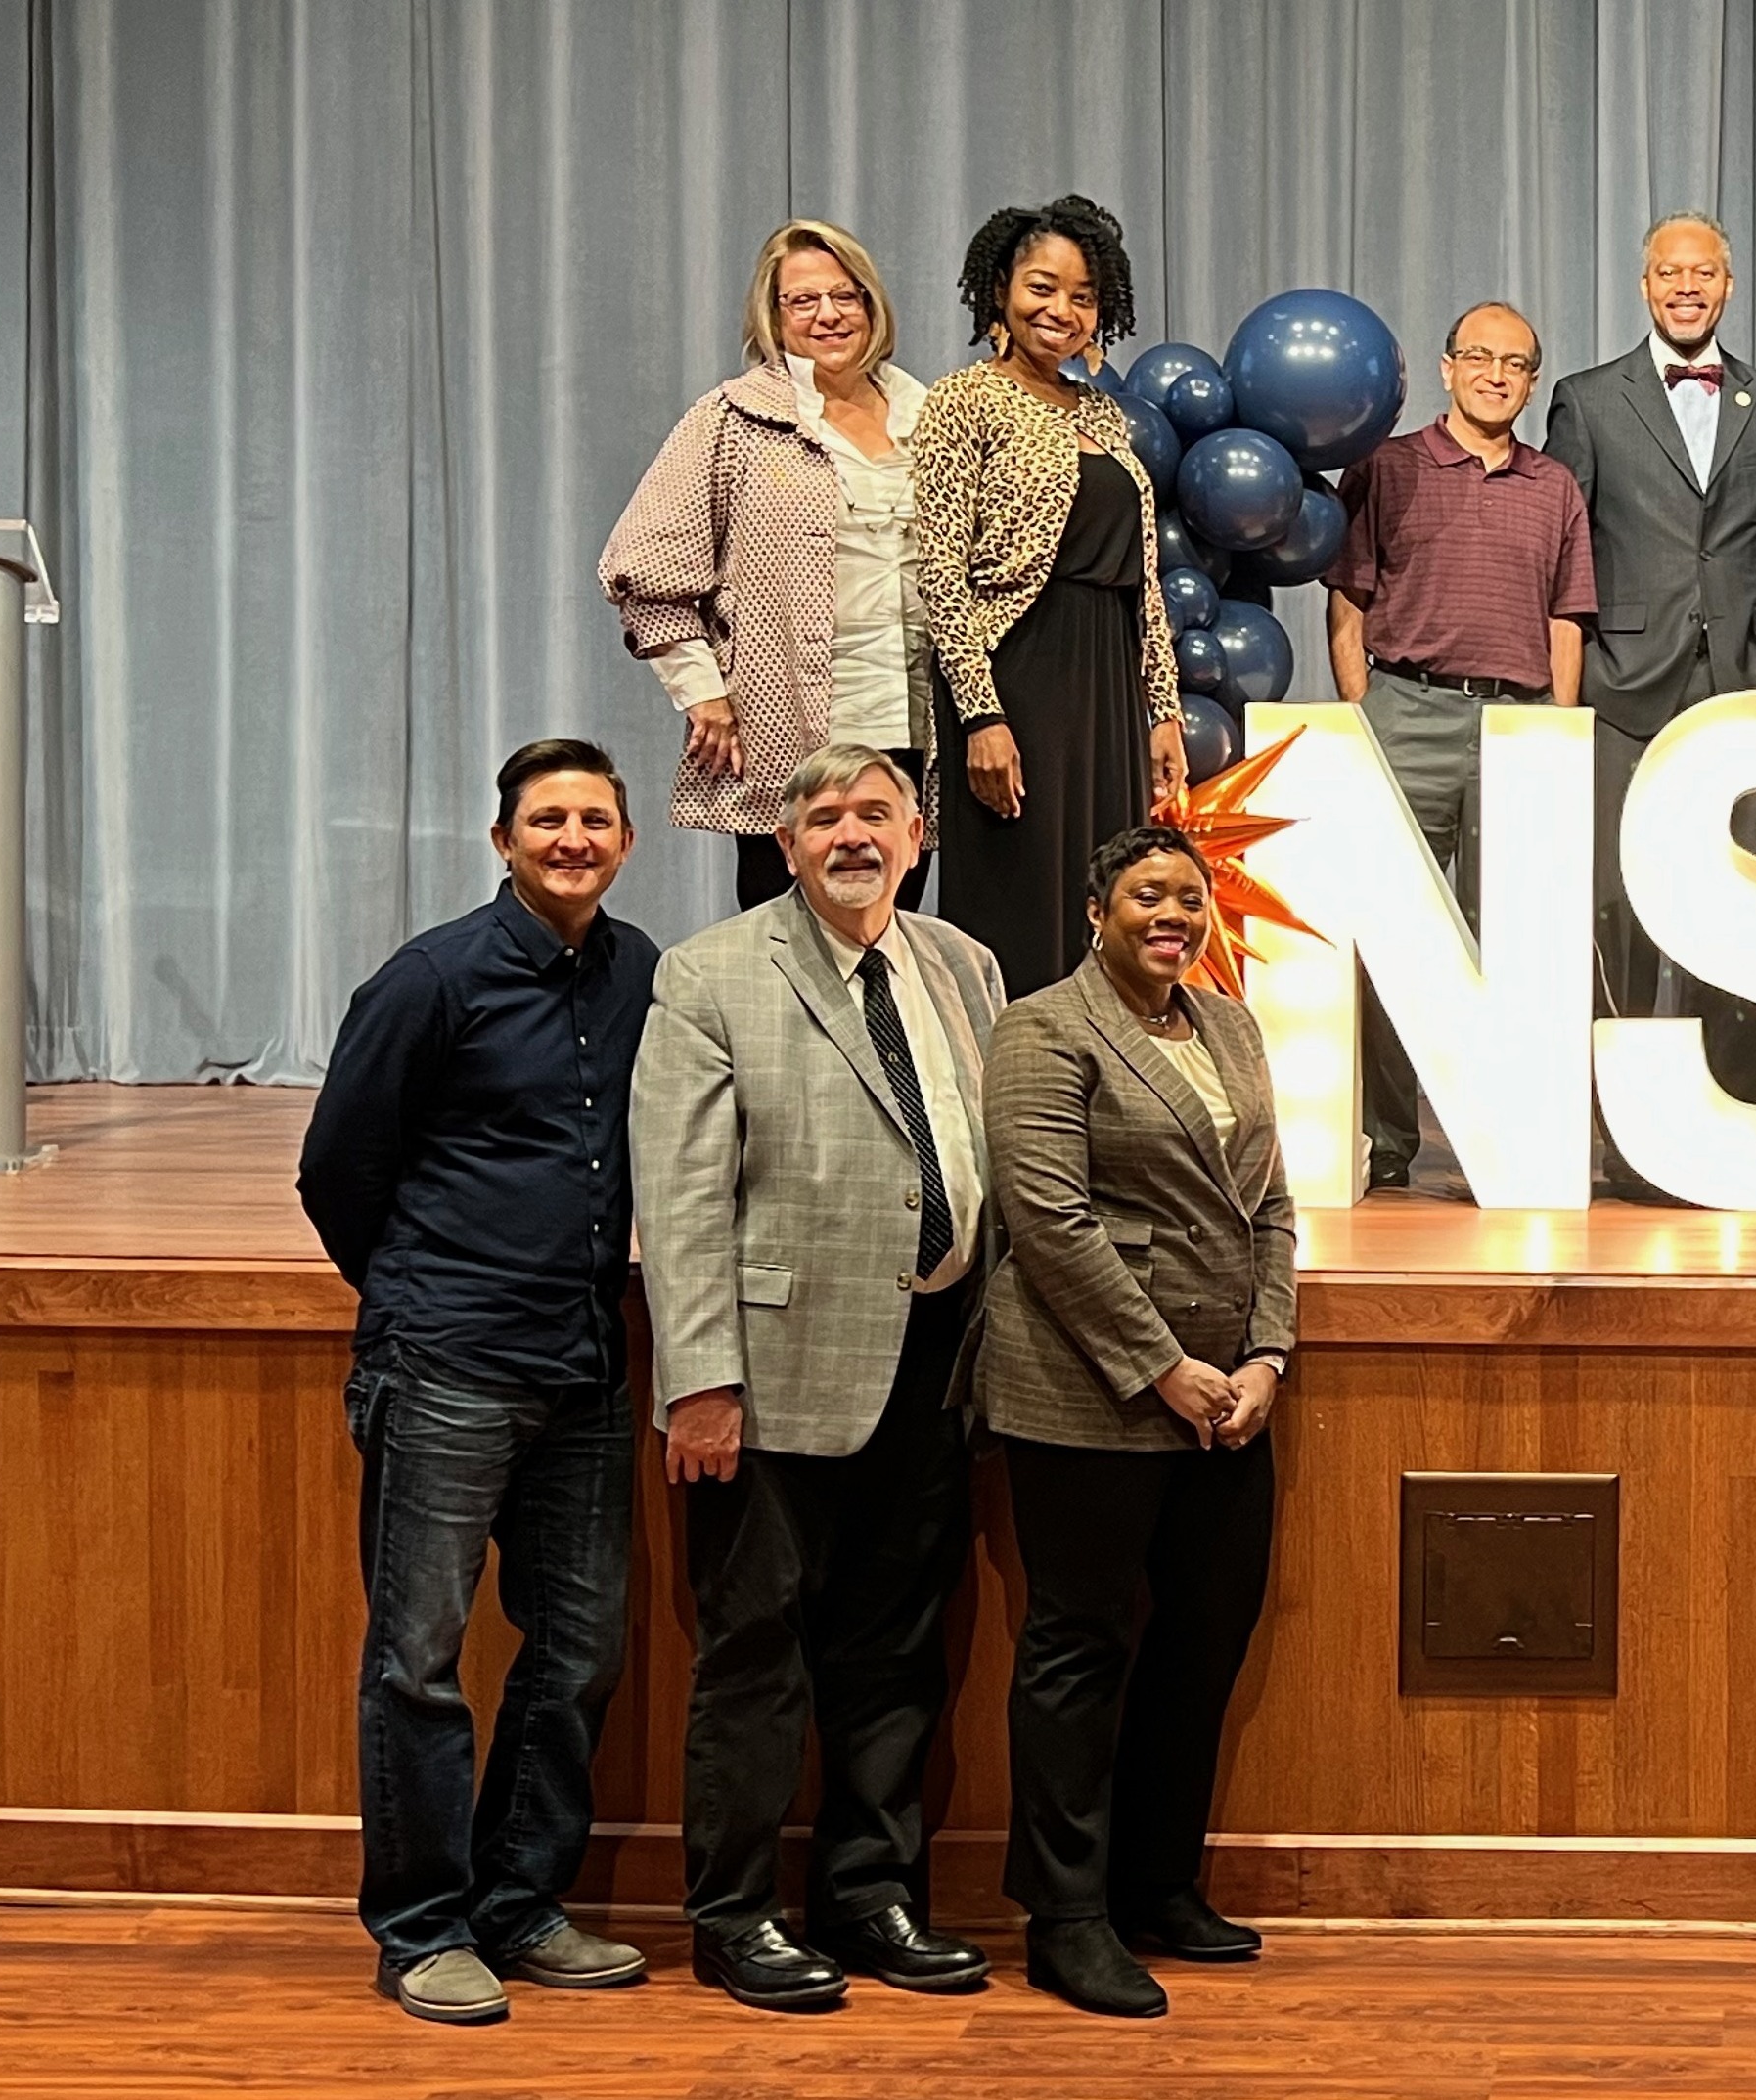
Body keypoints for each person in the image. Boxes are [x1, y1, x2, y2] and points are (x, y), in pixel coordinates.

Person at [629, 742, 1006, 2013]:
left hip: (935, 1366)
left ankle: (871, 1893)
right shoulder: (712, 972)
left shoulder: (965, 966)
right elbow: (680, 1196)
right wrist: (700, 1379)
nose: (853, 834)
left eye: (875, 814)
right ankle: (736, 1916)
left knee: (896, 1649)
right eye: (826, 816)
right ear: (785, 845)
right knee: (754, 1653)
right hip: (772, 1376)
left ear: (918, 834)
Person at [298, 739, 659, 2025]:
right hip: (447, 1359)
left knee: (577, 1651)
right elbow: (338, 1168)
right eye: (547, 817)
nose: (572, 836)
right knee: (417, 1658)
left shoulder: (641, 975)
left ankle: (519, 1902)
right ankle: (421, 1926)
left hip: (583, 1366)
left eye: (595, 818)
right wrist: (420, 1289)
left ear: (625, 840)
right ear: (501, 838)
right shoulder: (430, 977)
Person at [971, 825, 1297, 2018]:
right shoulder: (1044, 1028)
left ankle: (1158, 1883)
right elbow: (1047, 1221)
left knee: (1202, 1637)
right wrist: (1164, 1368)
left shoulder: (1230, 1024)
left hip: (1229, 1399)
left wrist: (1264, 1353)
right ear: (1097, 909)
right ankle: (1066, 1916)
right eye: (1146, 894)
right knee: (1078, 1650)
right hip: (1090, 1392)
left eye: (1188, 896)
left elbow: (1272, 1205)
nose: (1173, 913)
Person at [1544, 213, 1756, 1125]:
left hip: (1742, 692)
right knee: (1617, 899)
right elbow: (1560, 548)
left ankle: (1738, 1101)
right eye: (1669, 273)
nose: (1686, 287)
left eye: (1703, 273)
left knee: (1741, 892)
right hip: (1622, 684)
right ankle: (1612, 1108)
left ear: (1729, 286)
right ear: (1645, 285)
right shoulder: (1586, 401)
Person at [1323, 299, 1598, 1190]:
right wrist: (1368, 712)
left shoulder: (1553, 485)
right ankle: (1385, 1142)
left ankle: (1510, 1137)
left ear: (1531, 380)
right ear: (1445, 368)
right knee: (1387, 937)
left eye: (1515, 363)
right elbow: (1348, 606)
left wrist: (1558, 732)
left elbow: (1566, 619)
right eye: (1478, 357)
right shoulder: (1387, 467)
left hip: (1520, 725)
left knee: (1520, 939)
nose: (1494, 374)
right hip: (1409, 708)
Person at [602, 220, 934, 910]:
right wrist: (702, 693)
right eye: (803, 301)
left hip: (911, 732)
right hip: (791, 739)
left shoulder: (927, 416)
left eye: (845, 296)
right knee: (784, 954)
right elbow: (643, 570)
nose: (828, 315)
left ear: (872, 306)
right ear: (772, 315)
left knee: (889, 937)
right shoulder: (731, 419)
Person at [910, 194, 1188, 1003]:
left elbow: (1144, 579)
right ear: (999, 289)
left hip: (1105, 683)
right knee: (1021, 904)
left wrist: (1160, 708)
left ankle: (1100, 1097)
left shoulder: (1102, 413)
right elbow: (941, 572)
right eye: (1041, 286)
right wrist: (982, 715)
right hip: (1017, 677)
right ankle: (1013, 1100)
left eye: (1082, 295)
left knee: (1106, 898)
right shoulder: (964, 400)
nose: (1061, 309)